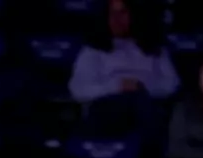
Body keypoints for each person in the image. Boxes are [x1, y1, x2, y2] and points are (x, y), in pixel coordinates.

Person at [68, 0, 178, 146]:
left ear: (135, 14)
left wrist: (140, 87)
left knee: (145, 107)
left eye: (122, 13)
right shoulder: (93, 50)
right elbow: (78, 89)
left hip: (146, 105)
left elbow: (172, 84)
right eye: (112, 13)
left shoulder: (155, 49)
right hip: (108, 107)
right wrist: (117, 86)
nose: (116, 19)